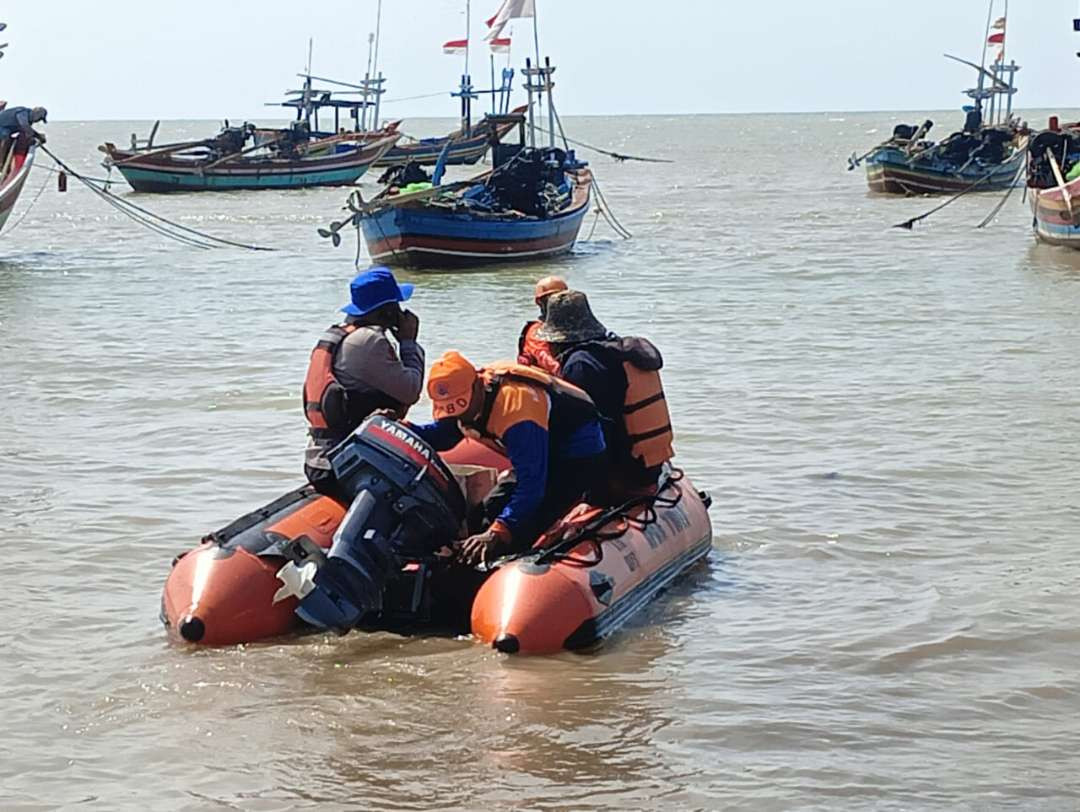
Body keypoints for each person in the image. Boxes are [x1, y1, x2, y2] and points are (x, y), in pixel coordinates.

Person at [408, 350, 606, 566]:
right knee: (483, 513)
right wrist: (405, 429)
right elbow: (446, 434)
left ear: (476, 386)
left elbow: (532, 485)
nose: (459, 417)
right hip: (537, 453)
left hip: (575, 455)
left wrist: (499, 530)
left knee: (522, 526)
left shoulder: (517, 411)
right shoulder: (467, 405)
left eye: (461, 407)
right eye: (451, 410)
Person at [535, 290, 675, 499]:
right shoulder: (616, 352)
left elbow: (585, 433)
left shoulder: (580, 366)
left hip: (621, 475)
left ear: (557, 340)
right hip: (647, 468)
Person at [303, 267, 424, 500]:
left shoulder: (337, 336)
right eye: (396, 306)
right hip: (346, 464)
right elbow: (411, 390)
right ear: (387, 311)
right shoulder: (369, 342)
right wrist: (409, 342)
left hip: (321, 458)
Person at [517, 275, 567, 375]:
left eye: (563, 298)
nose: (558, 303)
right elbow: (550, 363)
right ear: (539, 302)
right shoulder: (536, 332)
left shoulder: (575, 327)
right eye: (552, 299)